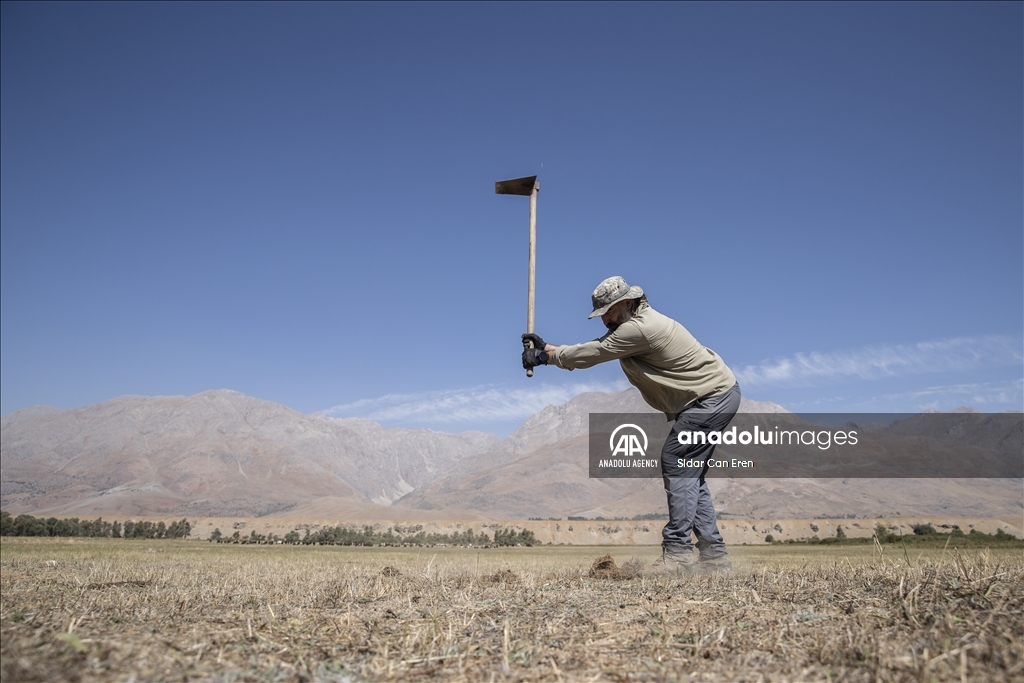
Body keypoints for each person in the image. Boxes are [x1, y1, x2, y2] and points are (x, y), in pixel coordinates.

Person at [521, 275, 740, 573]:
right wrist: (547, 349)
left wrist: (546, 359)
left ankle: (677, 554)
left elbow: (597, 352)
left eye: (608, 313)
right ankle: (714, 557)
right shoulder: (635, 324)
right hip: (713, 396)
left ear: (625, 303)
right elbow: (598, 345)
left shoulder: (640, 329)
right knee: (689, 475)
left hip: (710, 398)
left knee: (676, 460)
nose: (605, 321)